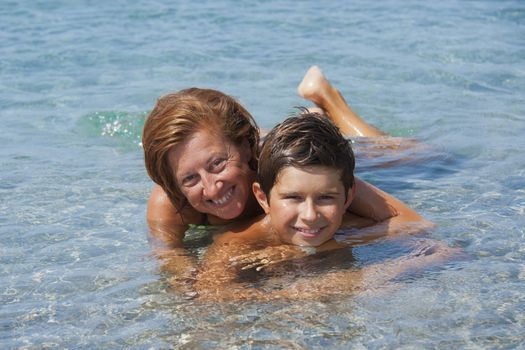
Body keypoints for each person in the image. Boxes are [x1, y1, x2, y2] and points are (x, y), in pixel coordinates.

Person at [142, 67, 420, 283]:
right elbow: (175, 262)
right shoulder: (169, 205)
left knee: (408, 156)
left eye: (217, 164)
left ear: (246, 145)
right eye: (190, 178)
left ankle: (331, 103)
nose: (212, 188)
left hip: (278, 149)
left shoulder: (283, 170)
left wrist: (304, 249)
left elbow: (408, 222)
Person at [192, 113, 454, 301]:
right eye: (293, 198)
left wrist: (349, 270)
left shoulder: (349, 227)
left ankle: (329, 106)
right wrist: (297, 293)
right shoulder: (238, 244)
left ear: (348, 199)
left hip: (358, 163)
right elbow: (209, 295)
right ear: (262, 198)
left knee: (429, 155)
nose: (309, 216)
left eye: (326, 198)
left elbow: (443, 250)